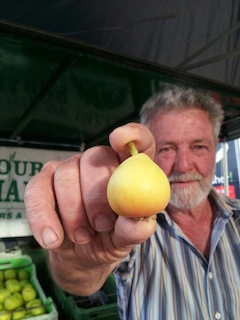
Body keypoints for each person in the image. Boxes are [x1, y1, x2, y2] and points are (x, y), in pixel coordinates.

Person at [24, 86, 240, 320]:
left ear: (215, 145)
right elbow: (80, 281)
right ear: (151, 153)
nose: (183, 165)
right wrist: (77, 258)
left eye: (198, 146)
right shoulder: (126, 224)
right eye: (167, 148)